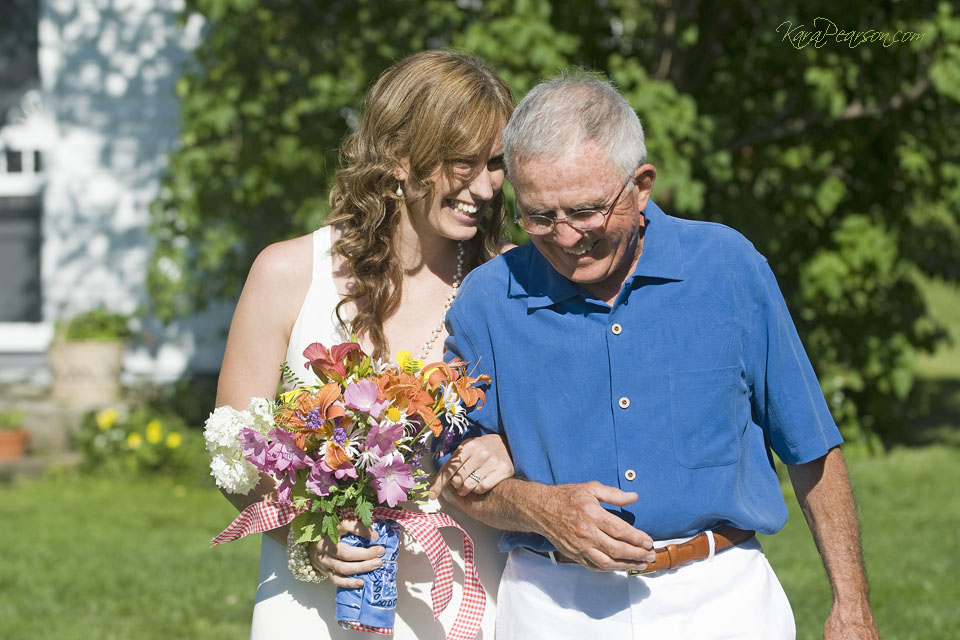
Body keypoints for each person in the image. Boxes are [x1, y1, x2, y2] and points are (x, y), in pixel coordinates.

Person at [434, 76, 881, 639]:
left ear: (641, 186)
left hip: (723, 601)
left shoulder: (727, 267)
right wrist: (538, 507)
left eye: (586, 211)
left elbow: (810, 444)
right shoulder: (487, 300)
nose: (567, 237)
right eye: (540, 217)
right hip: (554, 607)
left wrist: (852, 606)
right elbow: (450, 471)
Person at [215, 50, 516, 639]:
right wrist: (309, 532)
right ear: (401, 159)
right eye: (463, 164)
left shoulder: (512, 283)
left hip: (460, 599)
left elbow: (562, 429)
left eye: (497, 164)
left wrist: (510, 450)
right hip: (315, 603)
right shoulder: (288, 272)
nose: (484, 187)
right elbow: (232, 450)